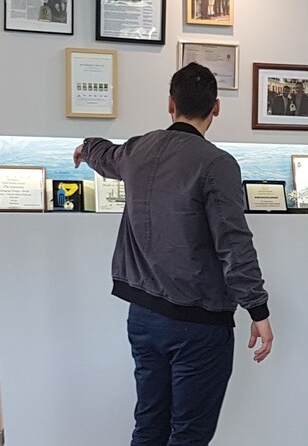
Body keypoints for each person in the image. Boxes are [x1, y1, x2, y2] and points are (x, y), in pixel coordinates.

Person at [73, 63, 273, 446]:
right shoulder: (217, 164)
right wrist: (258, 309)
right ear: (216, 107)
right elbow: (234, 243)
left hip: (144, 318)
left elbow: (105, 154)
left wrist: (86, 147)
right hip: (199, 324)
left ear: (170, 104)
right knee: (189, 435)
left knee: (149, 425)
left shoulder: (138, 149)